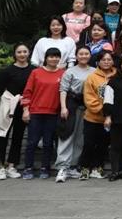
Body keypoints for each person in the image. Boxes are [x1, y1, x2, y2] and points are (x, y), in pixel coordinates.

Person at [20, 48, 65, 179]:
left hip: (53, 113)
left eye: (56, 56)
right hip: (36, 112)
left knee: (48, 143)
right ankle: (28, 168)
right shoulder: (36, 72)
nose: (54, 59)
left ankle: (45, 167)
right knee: (32, 142)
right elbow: (27, 92)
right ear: (46, 58)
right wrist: (26, 110)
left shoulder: (63, 73)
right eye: (51, 56)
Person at [0, 43, 35, 180]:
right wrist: (10, 100)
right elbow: (0, 91)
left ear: (29, 53)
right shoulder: (6, 71)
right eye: (19, 52)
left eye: (25, 51)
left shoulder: (33, 70)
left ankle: (12, 165)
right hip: (8, 106)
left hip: (24, 107)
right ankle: (0, 167)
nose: (22, 54)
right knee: (3, 135)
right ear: (15, 54)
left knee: (18, 136)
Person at [54, 46, 94, 182]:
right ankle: (62, 167)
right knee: (67, 134)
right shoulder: (70, 71)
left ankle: (73, 166)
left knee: (80, 137)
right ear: (76, 56)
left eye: (86, 53)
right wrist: (63, 107)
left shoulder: (94, 71)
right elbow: (63, 90)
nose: (84, 56)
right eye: (81, 54)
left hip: (87, 106)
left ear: (90, 55)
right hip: (71, 105)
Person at [79, 50, 116, 180]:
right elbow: (89, 99)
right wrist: (105, 111)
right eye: (103, 60)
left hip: (111, 119)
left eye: (109, 59)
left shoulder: (117, 75)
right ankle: (84, 168)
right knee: (89, 144)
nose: (106, 62)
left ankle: (98, 167)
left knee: (103, 145)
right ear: (98, 62)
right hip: (93, 118)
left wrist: (111, 114)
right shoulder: (92, 77)